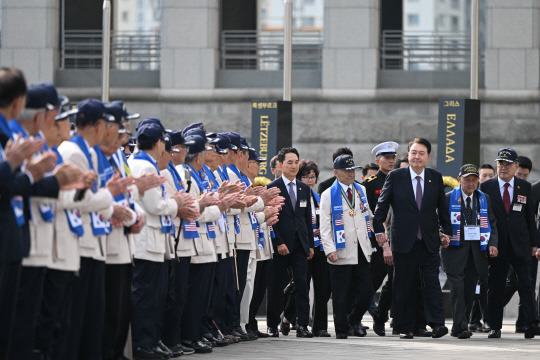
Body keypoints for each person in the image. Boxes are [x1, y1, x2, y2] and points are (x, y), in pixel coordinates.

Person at [373, 137, 452, 339]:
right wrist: (379, 231)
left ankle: (437, 324)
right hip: (403, 240)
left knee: (431, 283)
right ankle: (404, 326)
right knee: (403, 285)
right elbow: (381, 206)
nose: (417, 157)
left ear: (428, 157)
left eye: (421, 153)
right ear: (408, 155)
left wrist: (446, 232)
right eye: (413, 153)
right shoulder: (396, 176)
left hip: (429, 240)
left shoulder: (435, 177)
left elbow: (443, 210)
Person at [127, 122, 191, 359]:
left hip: (151, 240)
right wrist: (177, 203)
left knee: (153, 296)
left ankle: (150, 341)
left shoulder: (140, 163)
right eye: (164, 142)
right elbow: (155, 205)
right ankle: (144, 344)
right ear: (157, 143)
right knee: (147, 297)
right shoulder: (145, 166)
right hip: (147, 241)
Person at [480, 148, 540, 339]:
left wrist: (534, 244)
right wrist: (487, 241)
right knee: (496, 286)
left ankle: (531, 323)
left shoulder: (524, 186)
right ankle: (494, 326)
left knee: (526, 285)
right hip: (497, 245)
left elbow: (530, 218)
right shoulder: (487, 187)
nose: (503, 167)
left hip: (521, 245)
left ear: (516, 167)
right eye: (500, 164)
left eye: (508, 164)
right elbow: (484, 217)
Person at [441, 164, 498, 339]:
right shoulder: (448, 198)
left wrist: (492, 243)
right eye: (467, 180)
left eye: (474, 180)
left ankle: (460, 326)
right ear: (460, 180)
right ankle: (460, 326)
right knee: (457, 289)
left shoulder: (484, 198)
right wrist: (441, 235)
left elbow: (492, 223)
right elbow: (438, 222)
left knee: (469, 291)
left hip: (476, 252)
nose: (471, 183)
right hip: (454, 252)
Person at [320, 155, 374, 339]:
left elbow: (367, 216)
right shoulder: (328, 194)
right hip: (341, 248)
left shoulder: (361, 190)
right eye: (347, 170)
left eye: (353, 170)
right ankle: (342, 329)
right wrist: (329, 249)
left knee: (367, 291)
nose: (351, 174)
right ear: (336, 173)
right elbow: (325, 225)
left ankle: (354, 319)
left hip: (361, 247)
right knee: (341, 294)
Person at [266, 147, 315, 338]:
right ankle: (272, 325)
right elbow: (269, 220)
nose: (294, 166)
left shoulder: (304, 188)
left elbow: (306, 219)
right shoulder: (272, 188)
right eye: (290, 162)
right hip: (280, 246)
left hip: (300, 245)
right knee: (276, 285)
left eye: (296, 162)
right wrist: (278, 242)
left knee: (302, 285)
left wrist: (310, 244)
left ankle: (302, 325)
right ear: (280, 165)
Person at [362, 141, 397, 337]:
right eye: (386, 158)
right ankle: (354, 317)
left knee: (393, 281)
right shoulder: (370, 183)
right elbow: (367, 214)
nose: (390, 161)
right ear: (378, 160)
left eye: (393, 157)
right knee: (371, 283)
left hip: (398, 239)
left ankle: (381, 316)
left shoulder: (400, 179)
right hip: (376, 241)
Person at [502, 155, 540, 333]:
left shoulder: (528, 189)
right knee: (511, 282)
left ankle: (524, 322)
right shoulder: (534, 189)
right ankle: (487, 311)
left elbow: (532, 222)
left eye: (525, 175)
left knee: (528, 284)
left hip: (527, 245)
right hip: (510, 244)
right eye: (519, 174)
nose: (522, 178)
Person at [469, 162, 497, 333]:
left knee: (485, 284)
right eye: (484, 175)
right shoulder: (470, 196)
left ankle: (484, 319)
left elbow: (493, 222)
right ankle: (473, 320)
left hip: (487, 246)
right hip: (468, 248)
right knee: (474, 284)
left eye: (490, 175)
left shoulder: (488, 197)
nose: (487, 178)